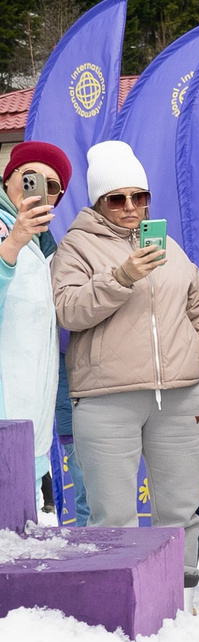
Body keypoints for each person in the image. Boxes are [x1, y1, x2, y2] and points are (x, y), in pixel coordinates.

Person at [52, 139, 199, 583]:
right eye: (117, 198)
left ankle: (179, 604)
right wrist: (123, 276)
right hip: (107, 397)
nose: (131, 207)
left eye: (139, 196)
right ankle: (119, 609)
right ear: (98, 201)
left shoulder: (168, 246)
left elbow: (197, 312)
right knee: (113, 513)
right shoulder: (75, 248)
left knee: (182, 509)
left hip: (182, 394)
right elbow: (69, 311)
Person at [0, 142, 67, 512]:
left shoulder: (46, 247)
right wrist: (11, 244)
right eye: (30, 178)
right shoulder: (10, 232)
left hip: (31, 420)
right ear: (9, 180)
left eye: (52, 186)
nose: (41, 189)